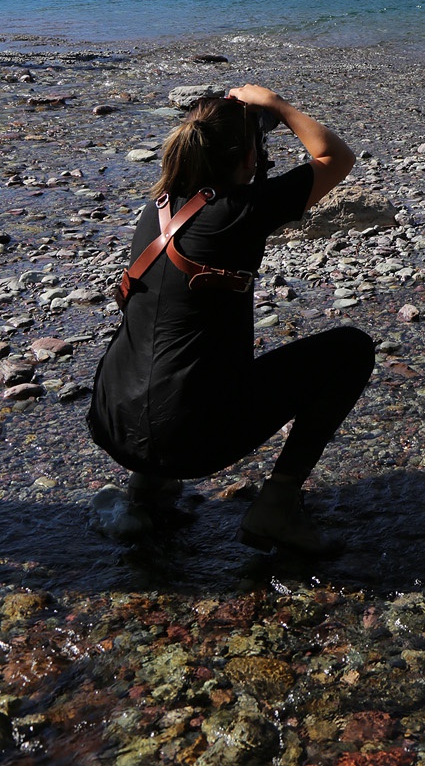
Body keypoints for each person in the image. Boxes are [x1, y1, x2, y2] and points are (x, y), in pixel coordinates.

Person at [88, 85, 374, 555]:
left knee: (162, 333)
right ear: (246, 158)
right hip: (186, 442)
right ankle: (276, 507)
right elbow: (334, 157)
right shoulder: (241, 210)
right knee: (350, 349)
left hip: (111, 424)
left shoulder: (155, 208)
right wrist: (278, 106)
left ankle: (147, 485)